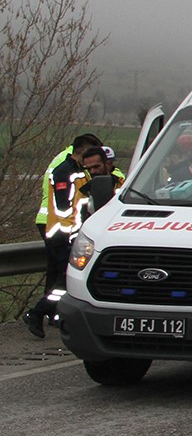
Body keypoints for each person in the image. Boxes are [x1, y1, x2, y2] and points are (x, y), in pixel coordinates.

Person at [23, 136, 99, 338]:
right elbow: (63, 208)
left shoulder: (78, 171)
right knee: (64, 279)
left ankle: (45, 312)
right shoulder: (64, 171)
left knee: (59, 277)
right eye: (89, 156)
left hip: (69, 232)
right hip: (60, 232)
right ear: (82, 152)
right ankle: (37, 312)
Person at [34, 132, 102, 240]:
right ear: (85, 152)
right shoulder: (65, 168)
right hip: (57, 223)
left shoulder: (76, 166)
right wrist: (72, 234)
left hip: (59, 221)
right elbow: (63, 205)